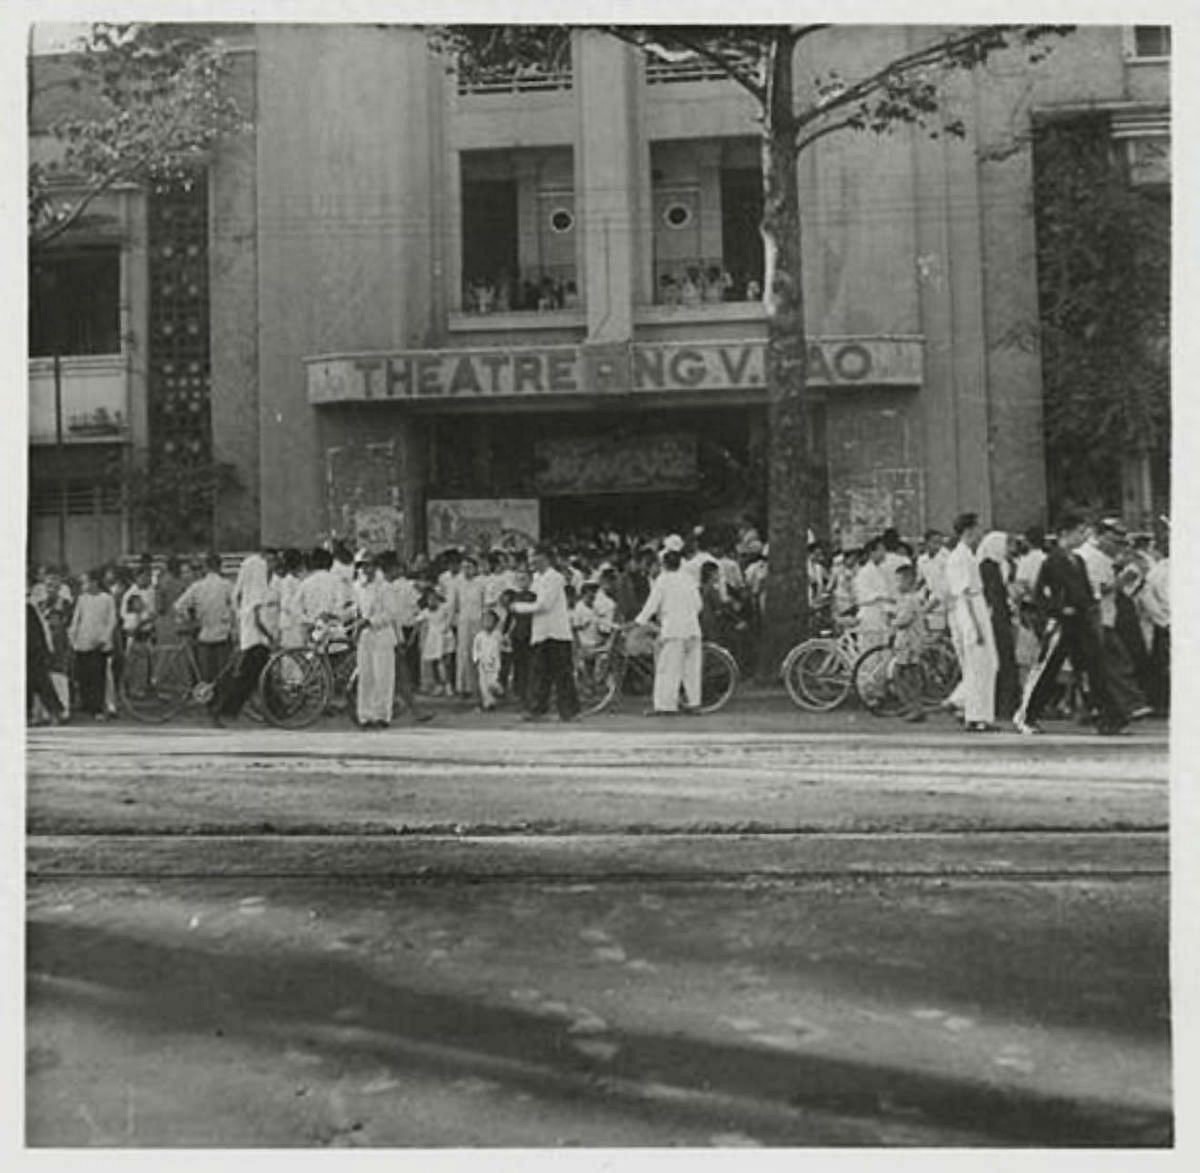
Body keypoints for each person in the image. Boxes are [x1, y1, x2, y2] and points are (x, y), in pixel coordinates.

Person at [1014, 512, 1127, 736]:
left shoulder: (1078, 561)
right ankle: (1026, 714)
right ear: (1065, 534)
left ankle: (1109, 717)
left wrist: (1091, 604)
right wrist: (1057, 609)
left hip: (1081, 621)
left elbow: (1085, 590)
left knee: (1094, 668)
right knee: (1047, 668)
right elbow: (1040, 595)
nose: (1083, 536)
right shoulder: (1052, 561)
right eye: (1079, 532)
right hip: (1060, 623)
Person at [1078, 520, 1151, 721]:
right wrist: (1122, 580)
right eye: (1114, 541)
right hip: (1096, 618)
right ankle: (1131, 704)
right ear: (1100, 536)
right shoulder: (1089, 558)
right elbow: (1097, 591)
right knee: (1116, 661)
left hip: (1107, 617)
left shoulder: (1104, 558)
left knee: (1105, 664)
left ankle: (1102, 709)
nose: (1117, 546)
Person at [511, 544, 579, 722]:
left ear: (544, 557)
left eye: (533, 556)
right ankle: (537, 709)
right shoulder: (537, 578)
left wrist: (520, 607)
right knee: (539, 673)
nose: (530, 560)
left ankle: (569, 710)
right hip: (541, 632)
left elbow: (544, 605)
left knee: (562, 673)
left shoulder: (554, 578)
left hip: (556, 632)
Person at [634, 547, 703, 716]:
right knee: (691, 670)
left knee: (668, 669)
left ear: (663, 564)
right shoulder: (689, 579)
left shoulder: (663, 580)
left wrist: (639, 621)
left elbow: (651, 605)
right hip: (693, 628)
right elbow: (698, 605)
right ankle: (694, 703)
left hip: (673, 629)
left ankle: (666, 706)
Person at [945, 513, 998, 732]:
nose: (981, 533)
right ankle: (975, 715)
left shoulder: (968, 555)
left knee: (988, 663)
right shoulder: (959, 557)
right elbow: (964, 594)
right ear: (969, 530)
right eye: (978, 528)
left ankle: (973, 709)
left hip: (977, 604)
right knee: (979, 664)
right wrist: (974, 626)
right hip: (969, 607)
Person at [214, 548, 274, 725]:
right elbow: (259, 620)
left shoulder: (244, 594)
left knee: (254, 677)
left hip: (249, 638)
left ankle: (273, 711)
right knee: (246, 680)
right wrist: (270, 636)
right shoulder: (257, 589)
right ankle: (226, 711)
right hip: (258, 640)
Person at [174, 552, 235, 683]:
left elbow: (178, 606)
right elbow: (236, 607)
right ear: (220, 567)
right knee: (223, 673)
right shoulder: (227, 585)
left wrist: (189, 620)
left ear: (206, 567)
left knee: (207, 674)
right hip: (223, 634)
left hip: (204, 634)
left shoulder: (197, 586)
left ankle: (208, 698)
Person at [977, 530, 1019, 722]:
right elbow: (992, 595)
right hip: (995, 619)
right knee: (1000, 660)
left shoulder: (1004, 566)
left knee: (1005, 661)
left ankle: (1005, 705)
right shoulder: (987, 567)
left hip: (1001, 617)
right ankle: (1000, 706)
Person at [354, 555, 396, 729]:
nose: (365, 569)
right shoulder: (358, 587)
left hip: (382, 635)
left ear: (375, 566)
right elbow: (355, 609)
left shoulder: (385, 587)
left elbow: (391, 613)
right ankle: (365, 715)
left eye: (368, 565)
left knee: (383, 677)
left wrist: (371, 621)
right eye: (362, 566)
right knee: (365, 676)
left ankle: (382, 715)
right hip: (365, 636)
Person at [68, 571, 116, 720]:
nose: (84, 586)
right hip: (83, 642)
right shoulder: (82, 599)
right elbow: (77, 619)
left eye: (86, 582)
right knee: (84, 676)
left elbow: (112, 620)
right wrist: (73, 638)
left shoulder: (107, 599)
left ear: (95, 582)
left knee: (98, 677)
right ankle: (87, 705)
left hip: (100, 643)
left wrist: (104, 638)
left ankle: (98, 708)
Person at [890, 563, 927, 723]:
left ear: (908, 582)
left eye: (899, 581)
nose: (896, 585)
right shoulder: (907, 599)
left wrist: (891, 621)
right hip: (906, 643)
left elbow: (904, 620)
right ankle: (911, 705)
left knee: (905, 676)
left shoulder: (910, 600)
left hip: (910, 644)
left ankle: (915, 707)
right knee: (904, 675)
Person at [27, 580, 64, 725]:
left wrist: (44, 650)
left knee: (41, 682)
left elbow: (40, 633)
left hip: (34, 651)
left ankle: (55, 712)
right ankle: (29, 715)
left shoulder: (29, 609)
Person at [450, 554, 486, 699]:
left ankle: (478, 686)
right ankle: (463, 686)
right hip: (464, 620)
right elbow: (454, 604)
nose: (466, 570)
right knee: (463, 652)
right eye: (464, 567)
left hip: (478, 620)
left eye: (469, 567)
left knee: (477, 653)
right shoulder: (458, 584)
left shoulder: (481, 583)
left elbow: (484, 604)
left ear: (476, 568)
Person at [503, 568, 537, 706]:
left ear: (530, 580)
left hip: (531, 634)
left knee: (531, 666)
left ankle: (531, 694)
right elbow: (510, 618)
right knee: (518, 666)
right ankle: (520, 693)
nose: (521, 582)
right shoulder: (515, 597)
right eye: (519, 579)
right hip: (517, 635)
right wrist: (506, 633)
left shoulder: (535, 596)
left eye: (524, 579)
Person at [853, 538, 894, 651]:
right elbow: (862, 596)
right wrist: (881, 597)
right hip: (870, 616)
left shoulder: (882, 570)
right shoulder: (864, 572)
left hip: (881, 616)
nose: (884, 553)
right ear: (872, 553)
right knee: (869, 651)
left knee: (883, 650)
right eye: (881, 550)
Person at [473, 609, 504, 711]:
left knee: (492, 682)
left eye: (490, 620)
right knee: (483, 684)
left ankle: (498, 691)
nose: (487, 622)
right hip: (483, 663)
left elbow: (503, 647)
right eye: (485, 620)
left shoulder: (498, 635)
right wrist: (476, 658)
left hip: (494, 663)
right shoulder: (479, 636)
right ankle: (488, 703)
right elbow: (475, 648)